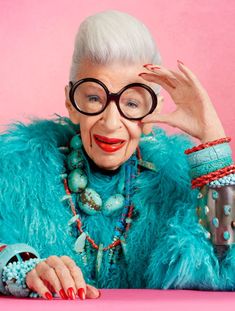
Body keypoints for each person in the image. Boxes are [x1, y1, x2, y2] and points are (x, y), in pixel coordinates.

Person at [0, 10, 235, 300]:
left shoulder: (177, 181)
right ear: (71, 102)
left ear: (152, 110)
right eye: (94, 98)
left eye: (132, 102)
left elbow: (224, 265)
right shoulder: (17, 169)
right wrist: (17, 264)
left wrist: (213, 143)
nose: (111, 123)